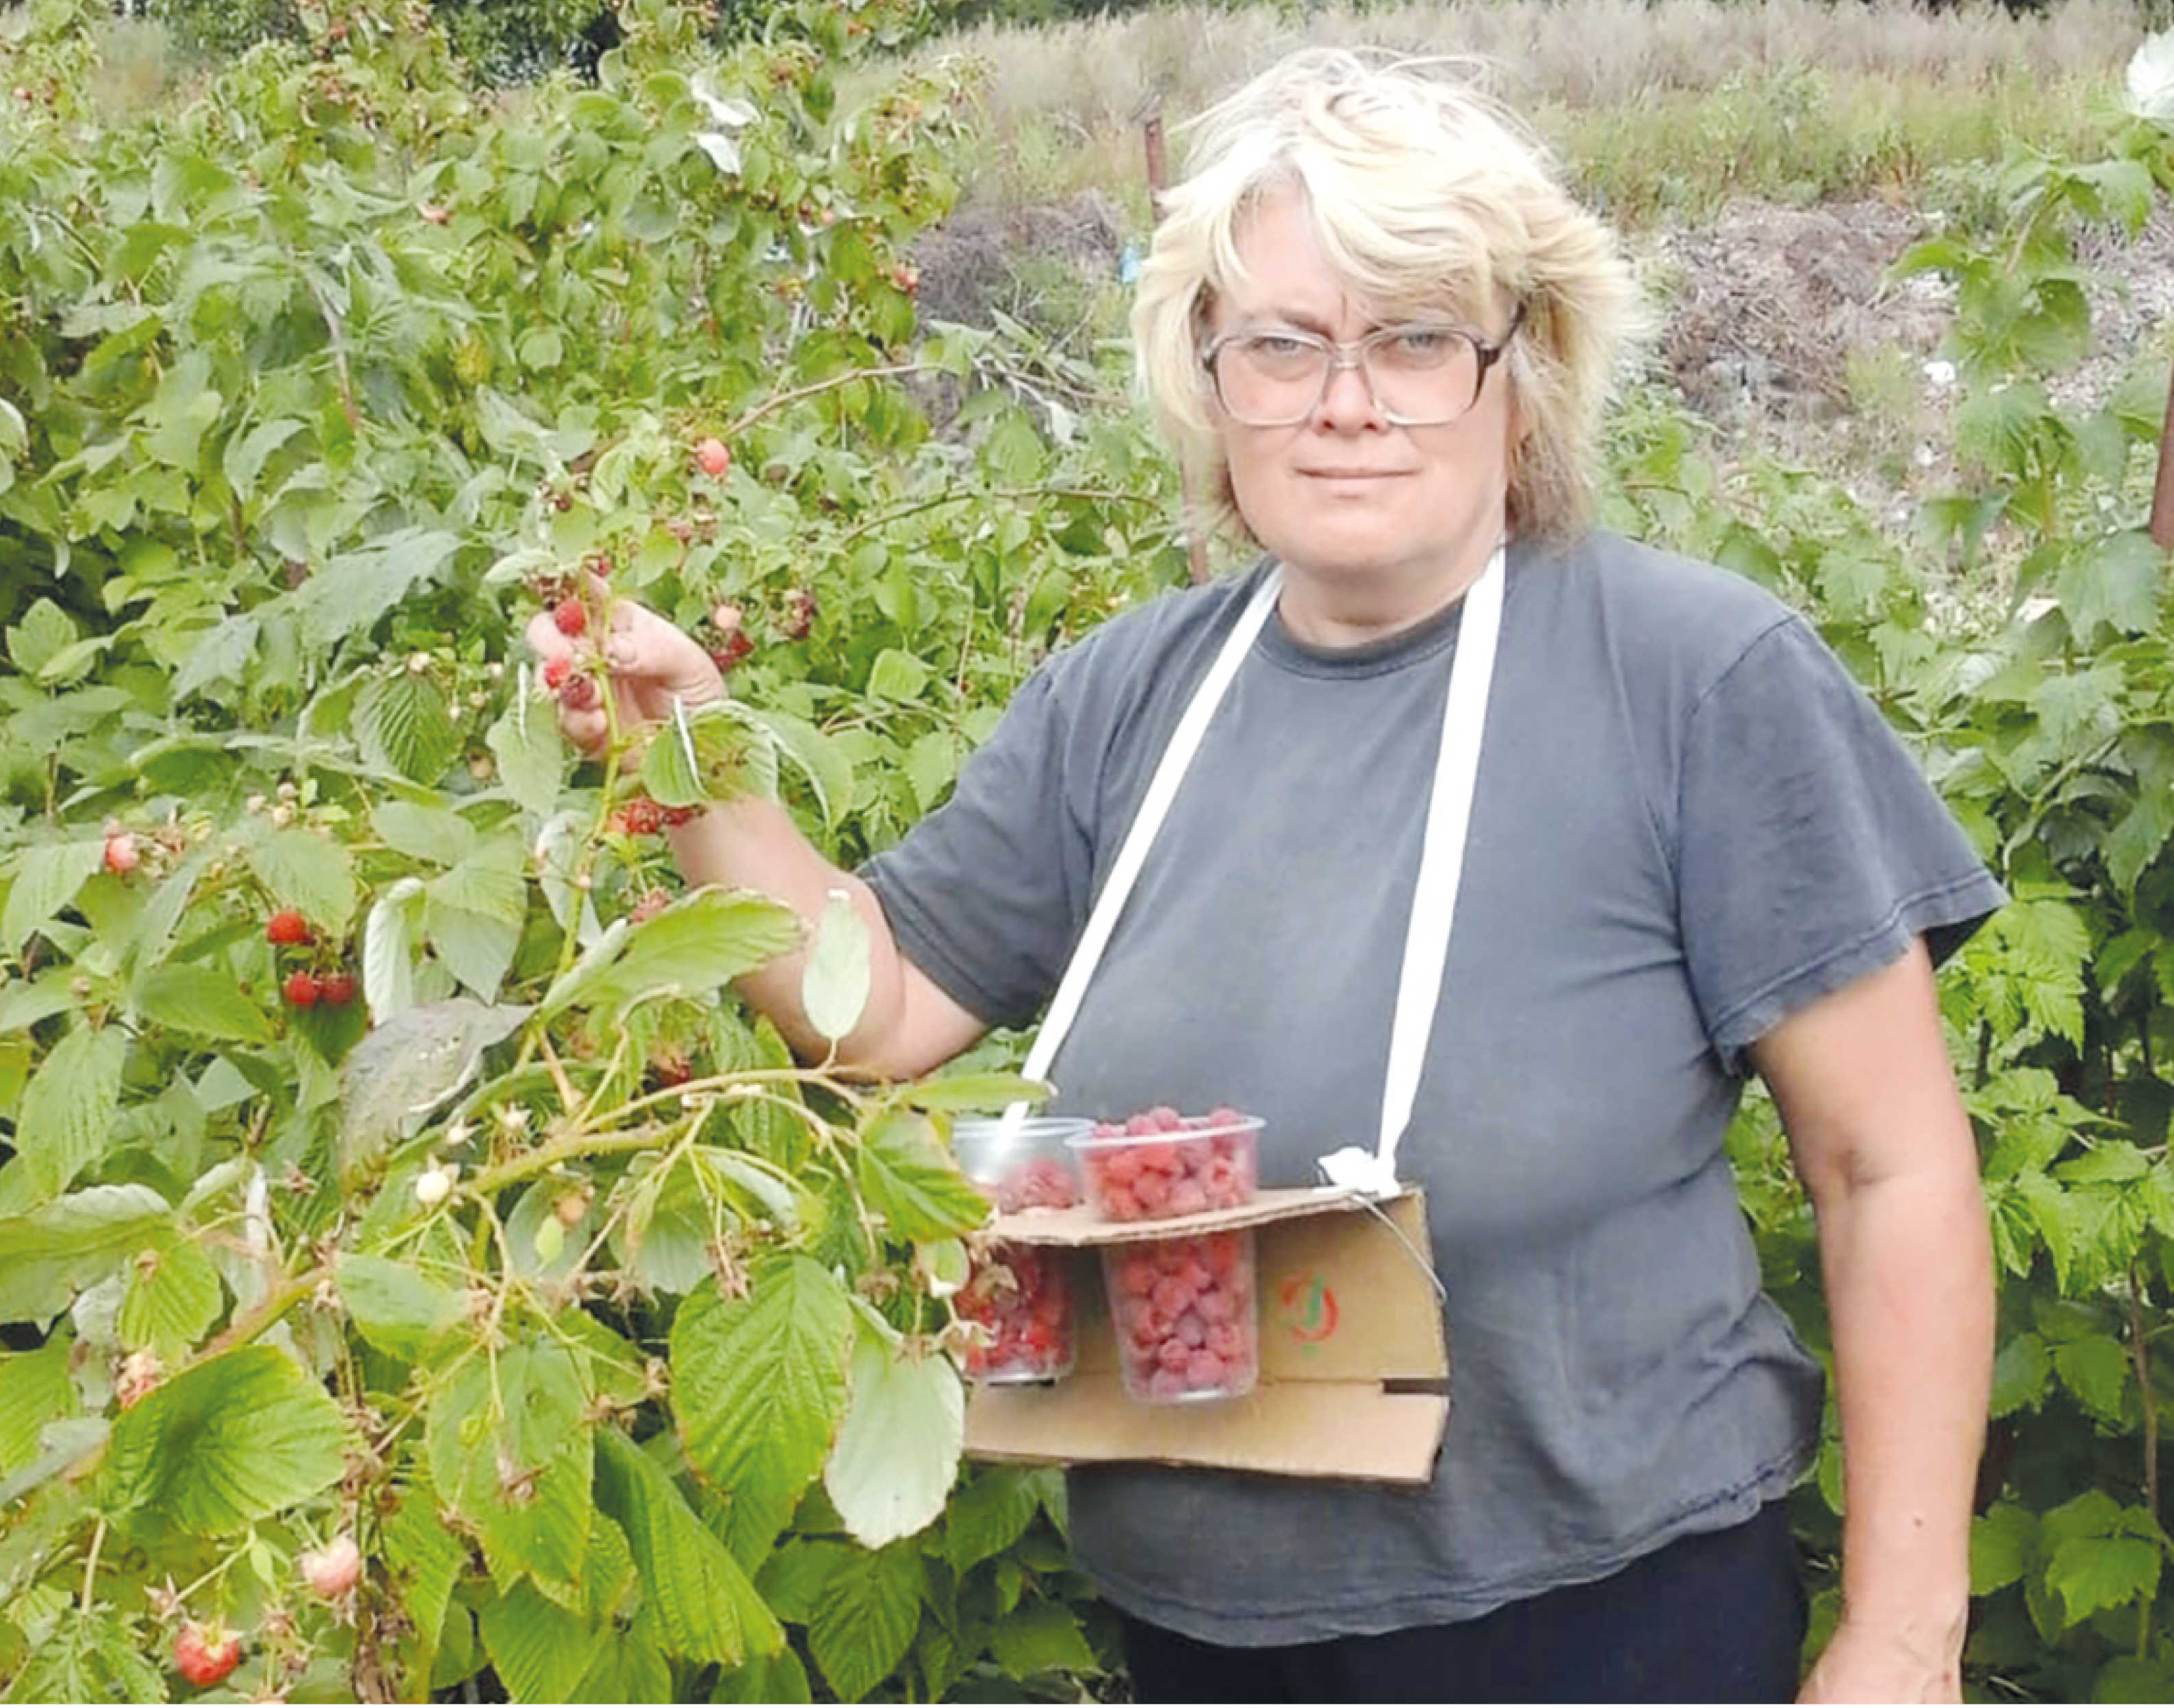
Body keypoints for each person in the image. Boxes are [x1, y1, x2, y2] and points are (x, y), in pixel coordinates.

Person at [529, 48, 1998, 1704]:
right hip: (1204, 1638)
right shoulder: (1125, 694)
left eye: (1415, 338)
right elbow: (863, 1000)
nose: (1345, 400)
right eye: (1281, 346)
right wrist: (687, 753)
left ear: (1521, 374)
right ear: (1204, 383)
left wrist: (1896, 1638)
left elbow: (1889, 1173)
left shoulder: (1691, 678)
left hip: (1599, 1623)